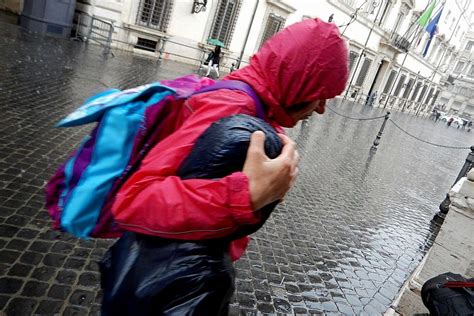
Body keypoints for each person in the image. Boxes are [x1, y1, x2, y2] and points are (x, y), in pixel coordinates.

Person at [102, 18, 349, 315]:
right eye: (322, 94)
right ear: (299, 80)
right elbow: (133, 199)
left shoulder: (255, 105)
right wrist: (242, 197)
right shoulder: (230, 106)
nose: (322, 108)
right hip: (163, 288)